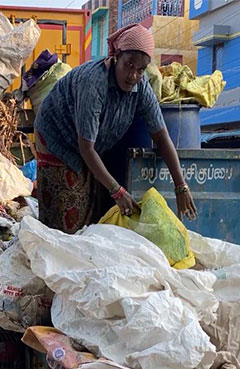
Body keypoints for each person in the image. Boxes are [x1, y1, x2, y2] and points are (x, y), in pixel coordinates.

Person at [34, 24, 197, 234]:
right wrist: (117, 191)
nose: (133, 75)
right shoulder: (93, 83)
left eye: (140, 69)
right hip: (58, 137)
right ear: (116, 56)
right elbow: (86, 148)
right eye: (129, 65)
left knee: (92, 211)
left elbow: (162, 136)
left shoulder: (141, 87)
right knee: (66, 216)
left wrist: (180, 187)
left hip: (88, 144)